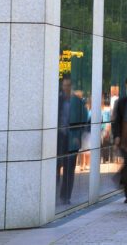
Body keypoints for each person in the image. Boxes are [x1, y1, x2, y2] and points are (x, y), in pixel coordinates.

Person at [56, 75, 88, 206]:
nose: (66, 88)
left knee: (69, 169)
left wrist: (78, 136)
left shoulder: (78, 102)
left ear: (72, 87)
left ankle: (66, 196)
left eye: (68, 85)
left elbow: (84, 120)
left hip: (72, 139)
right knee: (56, 167)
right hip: (59, 138)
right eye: (64, 85)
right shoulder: (58, 101)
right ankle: (55, 194)